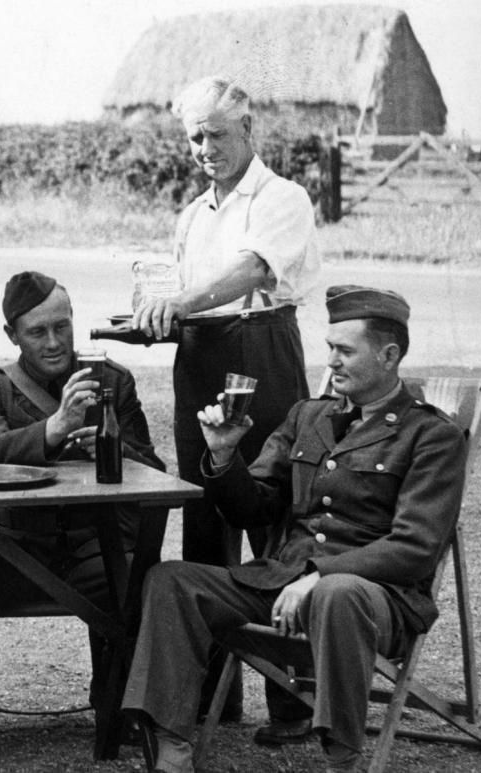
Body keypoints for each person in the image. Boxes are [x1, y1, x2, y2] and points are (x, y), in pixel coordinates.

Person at [122, 286, 467, 773]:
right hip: (283, 583)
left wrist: (319, 575)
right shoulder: (308, 416)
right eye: (330, 348)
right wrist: (224, 455)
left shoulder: (432, 437)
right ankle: (173, 745)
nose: (332, 361)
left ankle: (343, 757)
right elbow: (252, 509)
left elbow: (414, 547)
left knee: (337, 593)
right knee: (171, 580)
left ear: (389, 356)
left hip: (375, 598)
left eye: (345, 350)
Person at [130, 75, 321, 730]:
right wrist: (152, 317)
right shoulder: (190, 214)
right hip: (200, 361)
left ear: (248, 130)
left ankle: (293, 698)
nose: (205, 147)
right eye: (194, 136)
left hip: (263, 354)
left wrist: (179, 303)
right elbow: (185, 296)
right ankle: (217, 696)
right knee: (205, 514)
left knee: (274, 510)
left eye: (216, 133)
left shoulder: (282, 197)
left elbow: (252, 272)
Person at [0, 271, 167, 773]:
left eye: (63, 326)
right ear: (12, 334)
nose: (54, 342)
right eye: (38, 332)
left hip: (94, 552)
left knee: (146, 574)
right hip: (18, 548)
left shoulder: (112, 380)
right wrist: (54, 430)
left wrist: (112, 446)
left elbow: (155, 471)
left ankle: (120, 699)